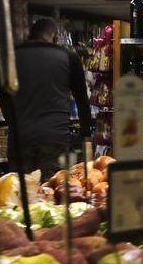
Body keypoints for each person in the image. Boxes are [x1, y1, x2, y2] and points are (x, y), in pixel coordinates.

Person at [8, 18, 92, 178]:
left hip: (20, 137)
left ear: (30, 36)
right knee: (52, 190)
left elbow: (3, 97)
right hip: (55, 138)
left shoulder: (11, 57)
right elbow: (82, 100)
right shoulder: (68, 58)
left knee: (18, 189)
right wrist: (85, 134)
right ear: (55, 37)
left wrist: (14, 124)